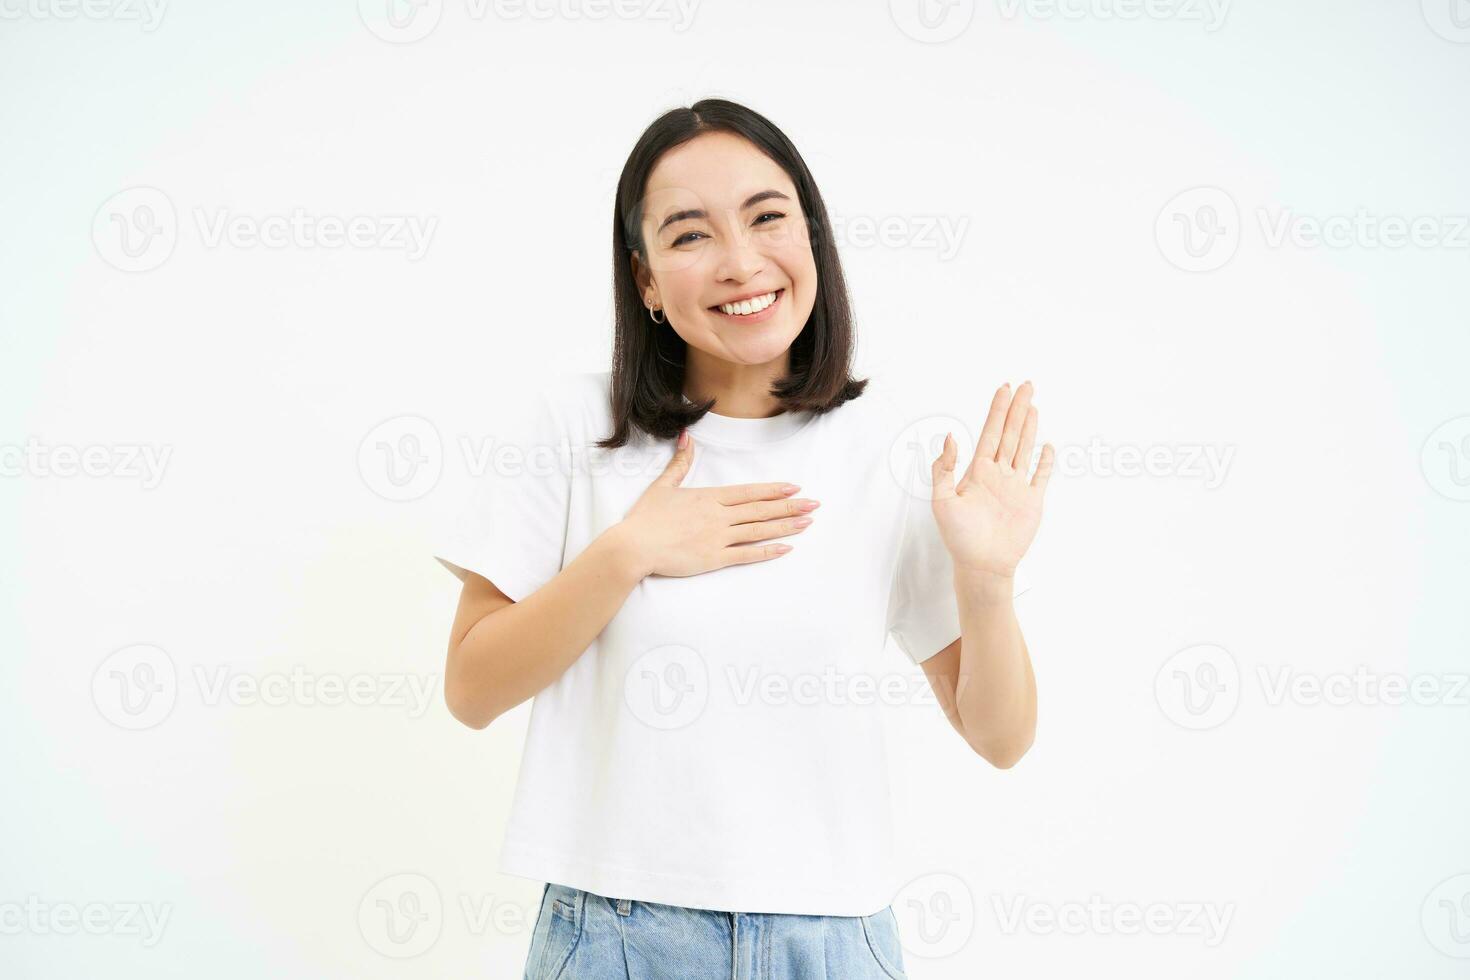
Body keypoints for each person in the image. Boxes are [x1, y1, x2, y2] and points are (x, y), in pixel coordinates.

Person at [434, 97, 1053, 980]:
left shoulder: (892, 451)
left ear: (812, 238)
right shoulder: (577, 428)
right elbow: (471, 687)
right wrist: (627, 552)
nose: (740, 261)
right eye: (689, 235)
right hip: (617, 933)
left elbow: (1001, 738)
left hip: (832, 938)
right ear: (645, 280)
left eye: (767, 218)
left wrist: (987, 580)